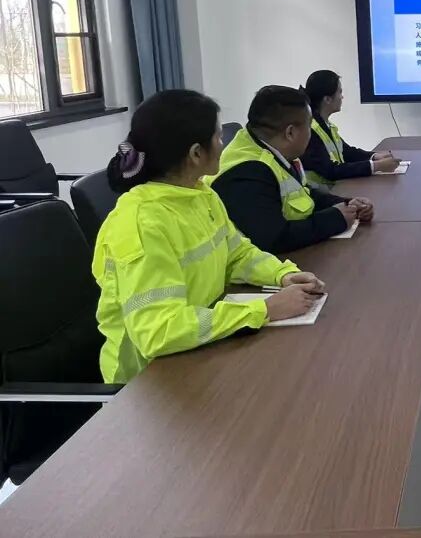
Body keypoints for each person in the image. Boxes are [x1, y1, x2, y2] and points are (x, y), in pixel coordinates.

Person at [92, 90, 326, 384]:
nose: (223, 143)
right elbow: (159, 331)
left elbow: (237, 253)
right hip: (148, 382)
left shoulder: (200, 194)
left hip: (199, 350)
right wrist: (265, 309)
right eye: (217, 137)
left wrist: (283, 275)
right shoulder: (142, 223)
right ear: (196, 154)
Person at [212, 85, 375, 253]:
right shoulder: (247, 172)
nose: (311, 133)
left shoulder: (274, 150)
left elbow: (303, 194)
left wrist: (345, 204)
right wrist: (335, 219)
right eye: (309, 126)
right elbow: (273, 238)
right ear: (290, 133)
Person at [300, 70, 401, 189]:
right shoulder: (310, 130)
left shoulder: (325, 125)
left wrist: (374, 156)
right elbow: (331, 171)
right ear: (327, 99)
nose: (342, 97)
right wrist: (376, 166)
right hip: (322, 193)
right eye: (339, 92)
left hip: (337, 188)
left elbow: (347, 152)